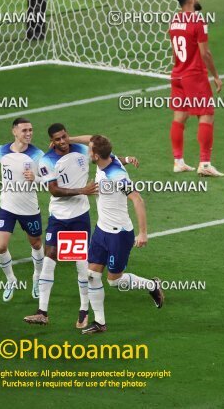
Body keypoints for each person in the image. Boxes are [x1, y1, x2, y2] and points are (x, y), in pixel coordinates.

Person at [24, 124, 137, 328]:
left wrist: (125, 160)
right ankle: (42, 312)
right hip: (58, 217)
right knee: (49, 259)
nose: (62, 141)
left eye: (64, 137)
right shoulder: (47, 160)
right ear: (51, 140)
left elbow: (102, 151)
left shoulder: (84, 150)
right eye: (57, 139)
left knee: (81, 265)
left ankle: (84, 310)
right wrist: (82, 191)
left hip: (78, 217)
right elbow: (55, 191)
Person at [82, 135, 164, 335]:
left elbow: (137, 200)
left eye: (89, 149)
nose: (87, 151)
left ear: (96, 155)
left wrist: (143, 233)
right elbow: (92, 138)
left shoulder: (117, 176)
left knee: (114, 281)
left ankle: (152, 285)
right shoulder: (109, 159)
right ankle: (100, 322)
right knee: (92, 276)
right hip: (101, 230)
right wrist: (67, 139)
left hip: (119, 234)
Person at [0, 118, 45, 302]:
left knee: (35, 244)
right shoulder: (0, 151)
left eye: (31, 130)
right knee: (1, 246)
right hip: (7, 207)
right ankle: (11, 279)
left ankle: (37, 278)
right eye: (25, 130)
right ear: (14, 132)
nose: (29, 134)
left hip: (29, 208)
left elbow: (50, 179)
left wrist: (34, 178)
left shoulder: (38, 155)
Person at [169, 0, 224, 176]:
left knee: (180, 116)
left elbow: (175, 50)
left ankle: (178, 161)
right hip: (194, 76)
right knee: (207, 114)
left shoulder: (174, 20)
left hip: (177, 74)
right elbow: (205, 53)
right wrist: (216, 76)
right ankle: (205, 164)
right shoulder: (197, 21)